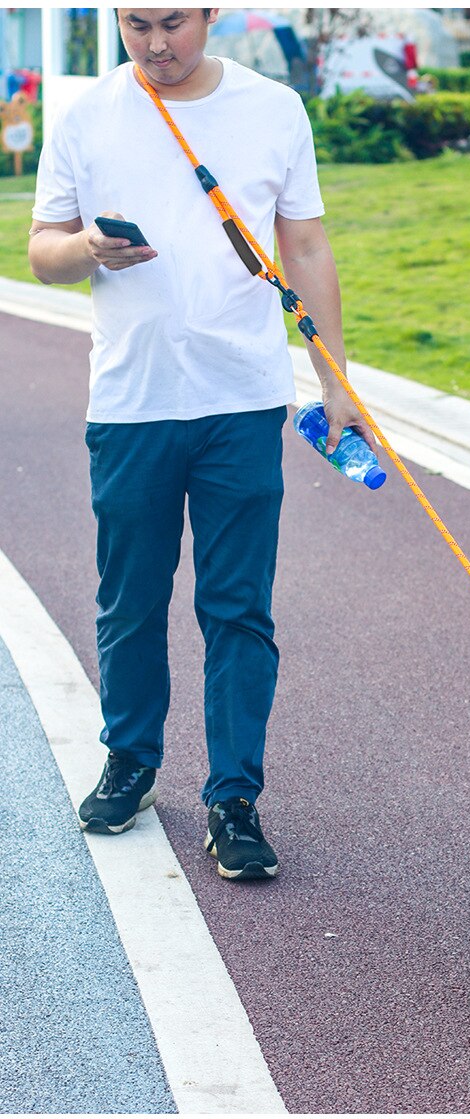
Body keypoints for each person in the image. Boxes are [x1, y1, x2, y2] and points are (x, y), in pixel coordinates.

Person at [29, 8, 374, 880]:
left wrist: (335, 378)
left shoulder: (273, 108)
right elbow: (41, 252)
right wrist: (87, 248)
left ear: (210, 12)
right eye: (135, 24)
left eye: (172, 24)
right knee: (131, 600)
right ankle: (132, 761)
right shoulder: (85, 115)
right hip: (131, 403)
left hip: (242, 400)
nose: (154, 44)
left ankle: (234, 798)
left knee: (237, 609)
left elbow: (305, 242)